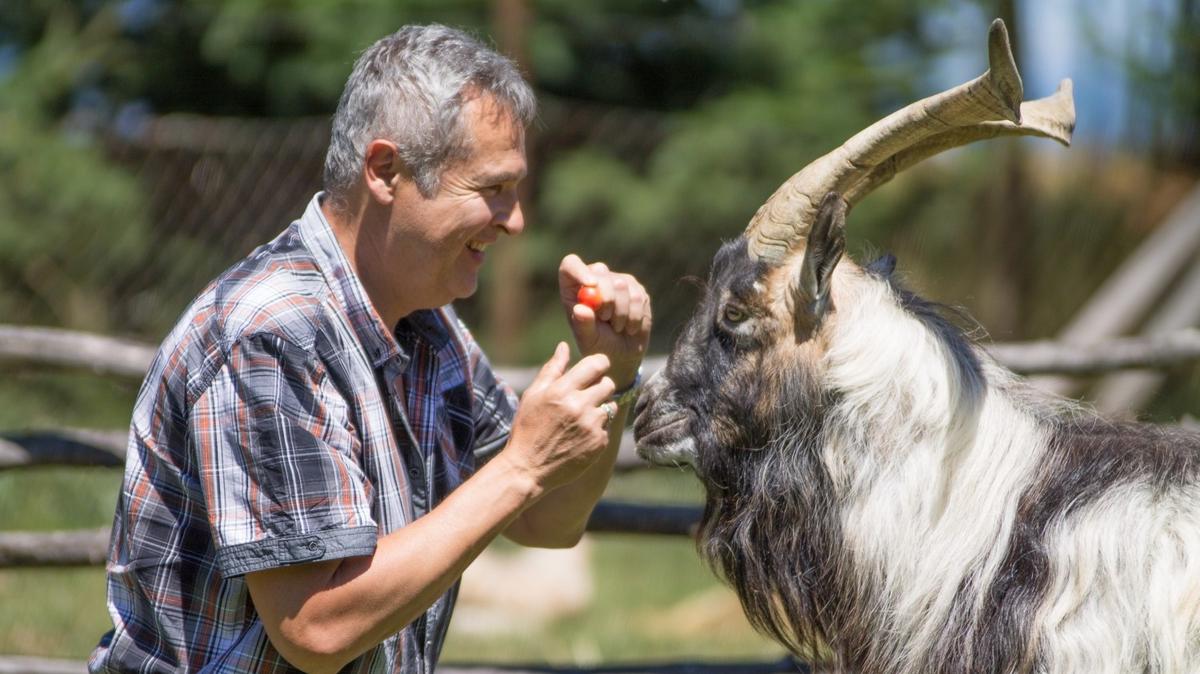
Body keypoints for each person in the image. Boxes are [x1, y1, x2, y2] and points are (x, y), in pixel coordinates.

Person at [89, 24, 651, 674]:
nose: (516, 219)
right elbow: (316, 627)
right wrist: (520, 465)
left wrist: (611, 369)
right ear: (386, 171)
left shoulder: (431, 330)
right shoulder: (271, 332)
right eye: (493, 188)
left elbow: (548, 524)